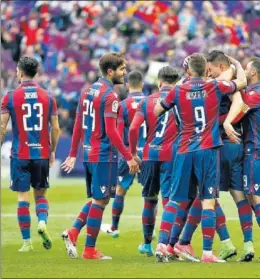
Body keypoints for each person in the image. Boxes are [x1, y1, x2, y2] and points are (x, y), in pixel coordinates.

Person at [153, 53, 247, 263]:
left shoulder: (178, 90)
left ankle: (161, 245)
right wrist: (238, 65)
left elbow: (157, 110)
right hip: (208, 149)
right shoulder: (214, 86)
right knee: (208, 202)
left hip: (185, 149)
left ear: (187, 71)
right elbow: (241, 82)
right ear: (206, 70)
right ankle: (207, 253)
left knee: (175, 201)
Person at [60, 52, 140, 260]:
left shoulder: (87, 91)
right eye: (122, 69)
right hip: (103, 154)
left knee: (99, 198)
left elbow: (78, 123)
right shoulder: (110, 96)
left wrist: (72, 153)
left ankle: (74, 232)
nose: (125, 73)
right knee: (101, 200)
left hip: (88, 153)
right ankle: (89, 250)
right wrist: (128, 156)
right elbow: (112, 131)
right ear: (110, 71)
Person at [224, 56, 260, 262]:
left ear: (253, 73)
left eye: (246, 69)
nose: (244, 73)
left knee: (257, 199)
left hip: (256, 152)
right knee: (252, 198)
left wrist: (227, 123)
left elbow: (237, 114)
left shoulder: (254, 95)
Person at [1, 56, 60, 252]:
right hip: (41, 153)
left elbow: (2, 126)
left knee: (22, 196)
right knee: (41, 194)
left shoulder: (9, 96)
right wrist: (52, 152)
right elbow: (56, 128)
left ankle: (26, 242)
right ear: (37, 72)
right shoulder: (48, 96)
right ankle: (42, 221)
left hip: (20, 153)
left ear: (19, 72)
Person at [206, 50, 254, 262]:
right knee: (239, 196)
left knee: (208, 198)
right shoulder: (233, 84)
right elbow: (240, 102)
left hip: (216, 145)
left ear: (221, 68)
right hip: (235, 143)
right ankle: (249, 244)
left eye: (212, 68)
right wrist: (235, 65)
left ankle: (226, 243)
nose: (208, 72)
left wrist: (224, 123)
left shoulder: (215, 85)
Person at [128, 66, 181, 258]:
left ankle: (147, 244)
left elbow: (133, 129)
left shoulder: (146, 101)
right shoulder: (179, 99)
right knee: (169, 200)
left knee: (149, 200)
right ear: (176, 82)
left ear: (159, 82)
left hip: (149, 155)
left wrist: (133, 153)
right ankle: (166, 245)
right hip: (171, 155)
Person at [100, 70, 147, 237]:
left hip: (128, 153)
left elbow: (118, 133)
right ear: (142, 84)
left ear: (127, 85)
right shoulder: (151, 103)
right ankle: (150, 232)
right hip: (148, 153)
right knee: (151, 194)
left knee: (120, 190)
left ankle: (114, 227)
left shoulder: (122, 105)